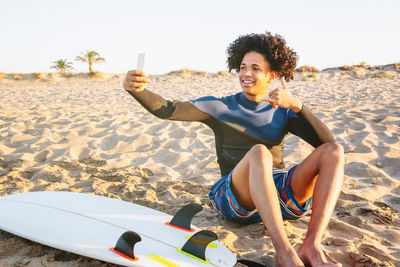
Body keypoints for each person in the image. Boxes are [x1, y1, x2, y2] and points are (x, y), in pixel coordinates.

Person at [122, 31, 344, 267]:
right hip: (236, 197)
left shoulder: (283, 110)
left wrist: (298, 107)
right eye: (242, 67)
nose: (246, 73)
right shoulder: (220, 106)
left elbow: (327, 146)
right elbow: (167, 109)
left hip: (278, 197)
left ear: (273, 74)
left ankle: (311, 245)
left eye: (256, 68)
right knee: (259, 152)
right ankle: (285, 254)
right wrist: (137, 90)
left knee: (335, 151)